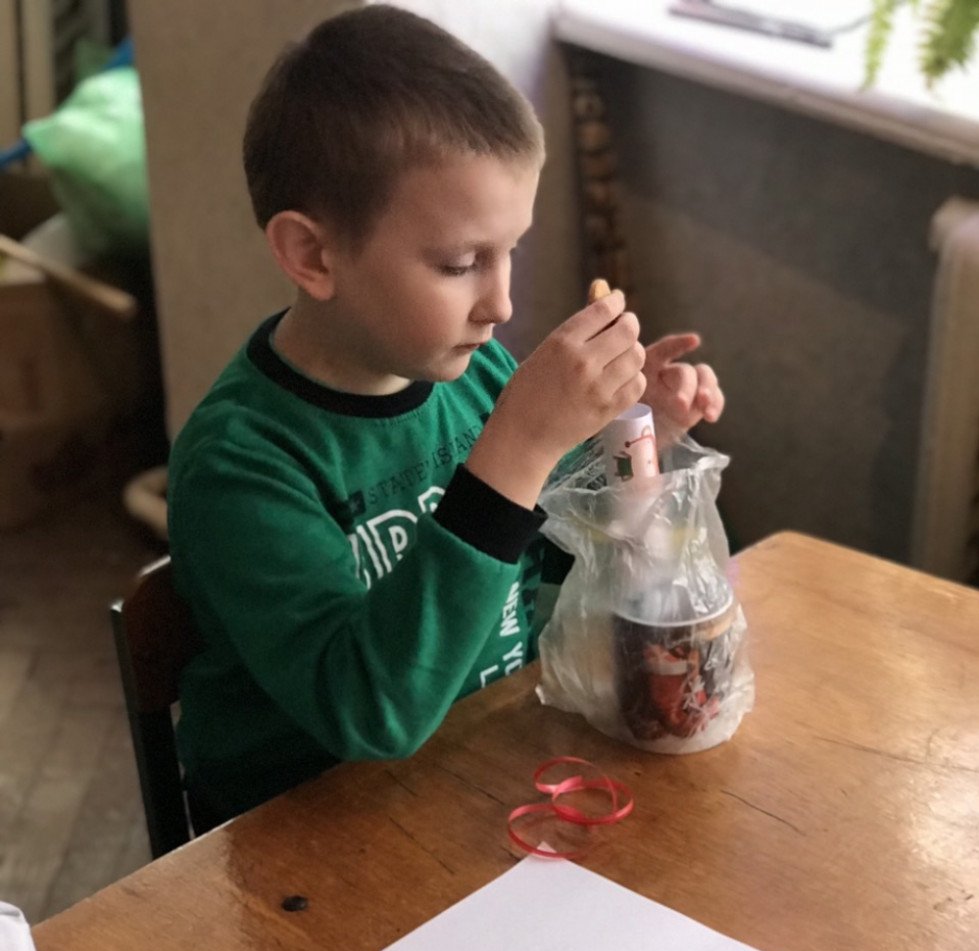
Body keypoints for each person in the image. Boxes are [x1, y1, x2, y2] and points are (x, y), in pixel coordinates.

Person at [167, 5, 725, 832]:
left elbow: (547, 557)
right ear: (313, 255)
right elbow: (373, 713)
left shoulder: (475, 378)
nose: (502, 304)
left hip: (476, 781)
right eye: (462, 263)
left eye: (510, 252)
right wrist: (520, 443)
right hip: (304, 838)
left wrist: (633, 444)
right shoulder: (242, 462)